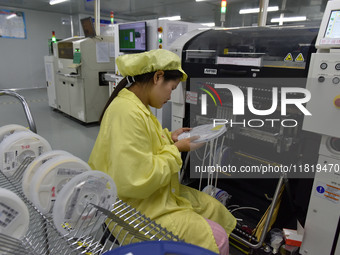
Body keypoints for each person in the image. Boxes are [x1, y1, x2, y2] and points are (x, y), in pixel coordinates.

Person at [88, 49, 236, 254]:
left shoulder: (136, 105)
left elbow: (143, 144)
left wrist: (170, 138)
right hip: (131, 210)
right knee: (216, 238)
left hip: (149, 196)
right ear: (158, 77)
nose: (171, 95)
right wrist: (177, 150)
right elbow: (136, 179)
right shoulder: (126, 112)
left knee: (213, 208)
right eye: (172, 88)